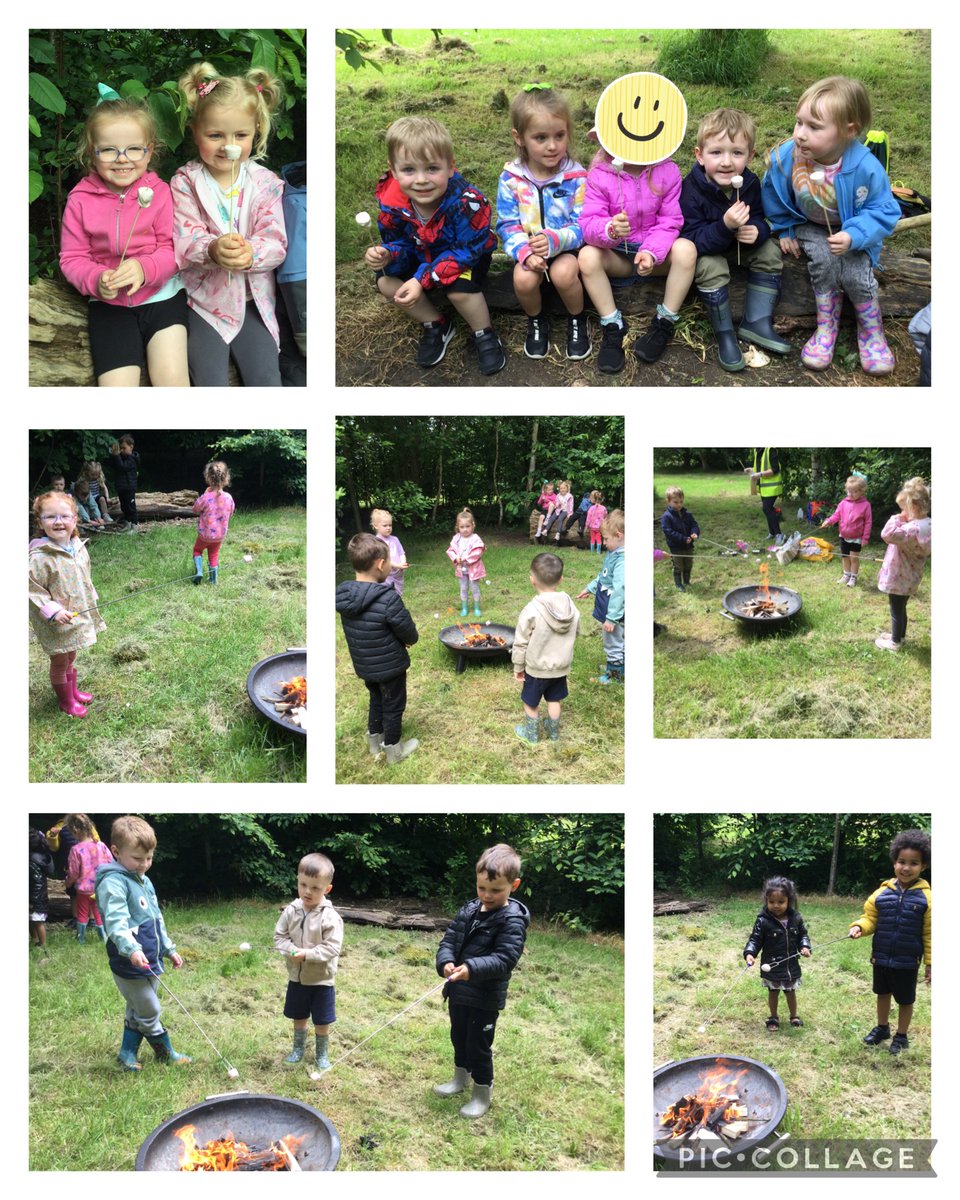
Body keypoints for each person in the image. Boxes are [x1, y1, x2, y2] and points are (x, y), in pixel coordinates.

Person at [762, 76, 901, 375]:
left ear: (848, 130)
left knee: (853, 271)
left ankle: (871, 331)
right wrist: (784, 227)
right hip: (809, 224)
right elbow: (772, 189)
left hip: (852, 226)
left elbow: (885, 209)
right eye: (799, 122)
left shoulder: (864, 166)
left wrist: (854, 235)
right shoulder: (789, 157)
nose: (800, 134)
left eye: (814, 127)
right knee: (824, 263)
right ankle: (826, 328)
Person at [59, 85, 189, 387]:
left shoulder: (160, 192)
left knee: (172, 381)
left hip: (162, 298)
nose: (122, 159)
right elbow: (72, 257)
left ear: (149, 151)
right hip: (109, 307)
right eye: (108, 149)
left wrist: (145, 268)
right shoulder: (80, 199)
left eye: (133, 148)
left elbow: (172, 249)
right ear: (92, 153)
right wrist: (96, 278)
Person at [172, 62, 287, 386]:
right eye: (215, 135)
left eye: (240, 134)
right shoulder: (187, 182)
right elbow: (184, 238)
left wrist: (251, 253)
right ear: (195, 131)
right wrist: (212, 248)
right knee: (210, 381)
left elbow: (275, 241)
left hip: (254, 304)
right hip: (204, 302)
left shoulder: (264, 183)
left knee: (267, 379)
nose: (228, 145)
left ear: (256, 132)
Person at [364, 116, 505, 376]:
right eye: (408, 170)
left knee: (458, 289)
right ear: (393, 171)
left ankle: (484, 331)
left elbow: (466, 252)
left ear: (450, 166)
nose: (421, 180)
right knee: (385, 282)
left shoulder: (468, 202)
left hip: (465, 258)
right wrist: (388, 254)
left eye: (432, 168)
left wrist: (421, 280)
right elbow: (399, 242)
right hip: (420, 257)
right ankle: (436, 323)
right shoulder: (391, 204)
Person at [680, 108, 790, 371]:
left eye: (737, 153)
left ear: (750, 156)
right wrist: (725, 226)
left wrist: (757, 230)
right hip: (709, 250)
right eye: (716, 153)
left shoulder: (750, 183)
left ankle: (757, 321)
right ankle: (725, 334)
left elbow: (762, 218)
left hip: (740, 247)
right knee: (711, 267)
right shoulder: (692, 189)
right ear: (700, 156)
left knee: (770, 253)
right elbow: (691, 239)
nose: (727, 162)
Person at [578, 134, 697, 373]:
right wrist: (609, 229)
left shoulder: (667, 171)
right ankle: (613, 325)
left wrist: (652, 252)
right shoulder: (600, 174)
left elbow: (670, 221)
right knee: (587, 256)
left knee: (687, 250)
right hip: (618, 258)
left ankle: (664, 321)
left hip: (656, 257)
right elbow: (588, 223)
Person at [434, 843, 530, 1119]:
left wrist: (471, 968)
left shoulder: (512, 921)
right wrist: (446, 961)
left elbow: (505, 958)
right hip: (459, 991)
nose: (487, 895)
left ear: (514, 885)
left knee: (478, 1044)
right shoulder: (469, 910)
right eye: (482, 888)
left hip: (484, 997)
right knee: (459, 1037)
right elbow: (449, 939)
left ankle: (481, 1093)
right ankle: (459, 1079)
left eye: (496, 890)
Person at [496, 85, 590, 360]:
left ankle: (577, 318)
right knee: (523, 280)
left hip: (567, 249)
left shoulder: (576, 177)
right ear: (519, 137)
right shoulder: (511, 179)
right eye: (540, 137)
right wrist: (524, 252)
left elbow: (583, 222)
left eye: (559, 135)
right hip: (528, 252)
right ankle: (536, 320)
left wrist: (555, 240)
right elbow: (507, 224)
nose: (552, 145)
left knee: (563, 274)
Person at [94, 815, 191, 1071]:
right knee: (149, 1009)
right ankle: (165, 1052)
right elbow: (116, 923)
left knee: (136, 1008)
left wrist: (168, 948)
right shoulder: (113, 883)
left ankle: (126, 1054)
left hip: (151, 959)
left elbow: (156, 919)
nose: (144, 865)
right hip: (129, 962)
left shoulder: (144, 880)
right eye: (137, 858)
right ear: (115, 851)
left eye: (149, 858)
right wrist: (132, 949)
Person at [336, 532, 420, 765]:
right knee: (393, 705)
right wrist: (410, 639)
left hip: (365, 666)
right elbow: (408, 632)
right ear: (381, 565)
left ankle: (375, 742)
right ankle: (394, 750)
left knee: (376, 699)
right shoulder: (388, 598)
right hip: (390, 667)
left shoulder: (345, 599)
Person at [850, 828, 931, 1055]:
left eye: (914, 863)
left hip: (907, 960)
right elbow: (870, 918)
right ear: (894, 862)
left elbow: (930, 933)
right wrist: (859, 927)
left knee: (905, 999)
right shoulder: (881, 893)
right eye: (901, 861)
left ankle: (902, 1035)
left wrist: (930, 964)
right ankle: (883, 1028)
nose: (906, 867)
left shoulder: (927, 898)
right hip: (882, 956)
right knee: (882, 993)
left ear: (923, 866)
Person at [29, 491, 105, 718]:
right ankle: (66, 702)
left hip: (76, 615)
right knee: (60, 660)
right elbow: (31, 589)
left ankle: (73, 692)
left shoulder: (77, 547)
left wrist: (91, 594)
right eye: (51, 517)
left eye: (65, 516)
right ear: (40, 522)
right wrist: (53, 611)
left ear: (75, 519)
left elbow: (85, 575)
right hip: (56, 621)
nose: (59, 522)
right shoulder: (39, 557)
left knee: (71, 655)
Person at [274, 852, 343, 1072]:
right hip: (297, 978)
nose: (307, 892)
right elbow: (280, 937)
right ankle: (298, 1050)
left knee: (322, 1020)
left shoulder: (330, 917)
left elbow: (332, 948)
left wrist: (307, 954)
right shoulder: (291, 910)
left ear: (327, 889)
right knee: (299, 1015)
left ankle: (322, 1055)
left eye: (315, 888)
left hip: (321, 981)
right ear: (297, 880)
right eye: (303, 884)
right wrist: (290, 949)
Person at [512, 551, 580, 744]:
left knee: (530, 702)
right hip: (560, 667)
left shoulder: (531, 610)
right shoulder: (570, 606)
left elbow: (520, 642)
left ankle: (531, 735)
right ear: (561, 579)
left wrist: (518, 667)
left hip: (537, 668)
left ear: (532, 580)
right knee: (554, 699)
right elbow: (577, 630)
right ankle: (553, 733)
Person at [743, 876, 811, 1032]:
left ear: (789, 901)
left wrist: (805, 947)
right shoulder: (763, 920)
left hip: (790, 965)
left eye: (781, 902)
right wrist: (749, 953)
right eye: (771, 902)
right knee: (773, 991)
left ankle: (794, 1016)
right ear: (766, 900)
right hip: (771, 965)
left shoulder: (796, 918)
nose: (776, 905)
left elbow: (803, 935)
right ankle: (773, 1017)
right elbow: (755, 939)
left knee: (790, 991)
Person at [874, 477, 931, 652]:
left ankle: (895, 643)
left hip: (899, 576)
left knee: (895, 609)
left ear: (913, 507)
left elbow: (886, 534)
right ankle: (899, 635)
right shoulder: (928, 524)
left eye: (903, 509)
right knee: (901, 606)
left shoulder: (909, 529)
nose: (901, 513)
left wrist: (896, 518)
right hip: (912, 576)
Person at [577, 509, 625, 683]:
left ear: (618, 535)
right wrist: (590, 588)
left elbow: (621, 590)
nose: (604, 543)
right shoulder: (614, 553)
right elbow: (603, 576)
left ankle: (615, 675)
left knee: (613, 641)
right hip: (609, 606)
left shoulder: (623, 561)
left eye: (606, 539)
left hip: (614, 611)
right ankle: (619, 666)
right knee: (619, 639)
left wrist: (612, 618)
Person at [63, 814, 113, 943]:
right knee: (98, 912)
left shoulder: (76, 849)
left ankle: (81, 939)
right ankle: (104, 938)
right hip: (99, 888)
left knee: (82, 913)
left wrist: (68, 882)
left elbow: (73, 872)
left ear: (75, 830)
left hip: (84, 890)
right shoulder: (101, 845)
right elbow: (111, 863)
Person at [819, 474, 872, 587]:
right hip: (843, 535)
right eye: (849, 491)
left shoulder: (865, 505)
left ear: (862, 491)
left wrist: (865, 538)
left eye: (854, 492)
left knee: (854, 558)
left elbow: (868, 523)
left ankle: (853, 577)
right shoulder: (843, 503)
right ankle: (846, 574)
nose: (850, 494)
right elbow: (836, 515)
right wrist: (828, 521)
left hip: (856, 538)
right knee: (845, 557)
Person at [191, 460, 235, 585]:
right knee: (214, 554)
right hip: (219, 535)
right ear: (225, 478)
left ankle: (199, 572)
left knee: (197, 550)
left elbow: (195, 509)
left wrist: (206, 494)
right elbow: (230, 513)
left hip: (204, 535)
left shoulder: (205, 497)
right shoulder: (228, 497)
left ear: (208, 478)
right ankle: (213, 580)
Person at [446, 508, 486, 618]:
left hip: (474, 569)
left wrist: (465, 559)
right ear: (457, 527)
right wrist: (456, 558)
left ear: (473, 525)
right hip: (461, 570)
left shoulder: (476, 538)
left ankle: (476, 607)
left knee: (475, 588)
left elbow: (478, 552)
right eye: (462, 527)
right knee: (463, 588)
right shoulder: (456, 538)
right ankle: (464, 607)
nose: (465, 529)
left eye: (467, 526)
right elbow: (451, 550)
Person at [660, 486, 700, 591]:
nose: (679, 505)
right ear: (668, 501)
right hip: (676, 547)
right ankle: (678, 584)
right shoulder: (666, 517)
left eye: (681, 502)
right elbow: (669, 532)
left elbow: (694, 525)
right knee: (678, 566)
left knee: (688, 564)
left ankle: (686, 581)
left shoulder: (687, 514)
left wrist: (694, 533)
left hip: (689, 545)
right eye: (675, 502)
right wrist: (682, 538)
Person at [744, 449, 783, 545]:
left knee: (767, 508)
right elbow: (760, 468)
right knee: (767, 509)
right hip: (764, 487)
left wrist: (760, 474)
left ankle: (779, 534)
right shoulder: (756, 450)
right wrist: (751, 470)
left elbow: (775, 469)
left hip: (773, 486)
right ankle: (772, 533)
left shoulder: (771, 449)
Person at [370, 508, 409, 596]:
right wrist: (397, 565)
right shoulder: (376, 542)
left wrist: (403, 563)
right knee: (387, 594)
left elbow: (401, 553)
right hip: (385, 575)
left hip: (398, 573)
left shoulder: (395, 539)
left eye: (390, 525)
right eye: (385, 525)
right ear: (376, 526)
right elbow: (384, 560)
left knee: (398, 594)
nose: (388, 528)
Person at [30, 829, 56, 955]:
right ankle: (34, 940)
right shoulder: (44, 856)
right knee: (31, 920)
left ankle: (43, 944)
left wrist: (32, 902)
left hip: (36, 898)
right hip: (40, 896)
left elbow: (37, 883)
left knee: (37, 922)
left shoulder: (31, 861)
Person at [108, 435, 140, 532]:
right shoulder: (121, 457)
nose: (121, 450)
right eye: (120, 448)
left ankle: (135, 526)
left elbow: (122, 467)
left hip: (129, 487)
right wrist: (114, 455)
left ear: (131, 446)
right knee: (124, 507)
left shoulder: (132, 459)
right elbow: (115, 466)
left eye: (124, 448)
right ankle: (128, 523)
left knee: (131, 507)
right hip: (121, 487)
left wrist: (117, 456)